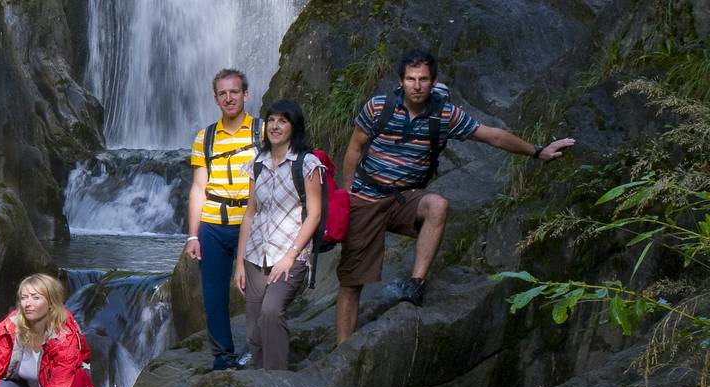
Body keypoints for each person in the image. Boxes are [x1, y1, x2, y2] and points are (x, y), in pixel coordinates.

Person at [334, 50, 577, 343]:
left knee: (438, 205)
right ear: (401, 81)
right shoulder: (378, 107)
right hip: (368, 195)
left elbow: (493, 136)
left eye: (424, 79)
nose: (417, 85)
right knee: (351, 282)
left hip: (405, 199)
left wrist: (538, 151)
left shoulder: (445, 115)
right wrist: (348, 191)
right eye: (411, 79)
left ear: (433, 81)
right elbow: (354, 148)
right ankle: (342, 349)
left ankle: (416, 284)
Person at [233, 100, 324, 370]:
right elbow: (249, 214)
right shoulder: (257, 164)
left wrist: (290, 256)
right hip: (255, 255)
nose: (275, 126)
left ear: (293, 127)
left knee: (272, 311)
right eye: (271, 120)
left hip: (290, 254)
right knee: (253, 329)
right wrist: (239, 263)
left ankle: (276, 382)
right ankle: (258, 384)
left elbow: (315, 214)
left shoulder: (308, 164)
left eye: (282, 121)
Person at [186, 69, 261, 370]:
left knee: (258, 292)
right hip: (214, 224)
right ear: (215, 98)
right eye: (222, 93)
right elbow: (198, 187)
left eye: (234, 92)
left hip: (255, 222)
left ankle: (259, 351)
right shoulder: (205, 138)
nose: (229, 98)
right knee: (214, 295)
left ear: (246, 94)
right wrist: (193, 234)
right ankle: (223, 357)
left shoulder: (263, 131)